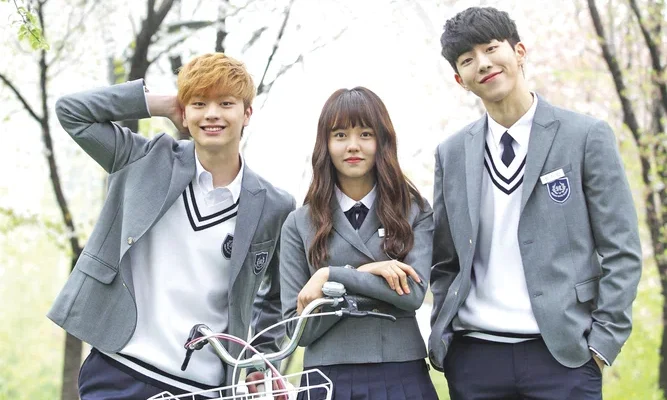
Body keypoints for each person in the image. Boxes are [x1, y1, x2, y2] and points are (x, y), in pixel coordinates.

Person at [49, 53, 295, 399]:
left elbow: (277, 297)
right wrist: (160, 104)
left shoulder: (273, 205)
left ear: (247, 113)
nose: (212, 114)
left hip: (202, 387)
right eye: (199, 103)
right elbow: (71, 112)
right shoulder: (143, 159)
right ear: (184, 111)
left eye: (226, 103)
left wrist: (260, 359)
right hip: (118, 369)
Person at [428, 6, 642, 400]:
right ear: (460, 79)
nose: (483, 63)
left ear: (520, 51)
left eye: (491, 48)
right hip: (475, 358)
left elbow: (622, 250)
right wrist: (447, 337)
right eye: (468, 59)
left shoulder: (585, 137)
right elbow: (445, 260)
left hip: (563, 357)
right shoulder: (451, 153)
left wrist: (602, 343)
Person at [280, 87, 438, 400]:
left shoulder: (415, 210)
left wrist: (331, 276)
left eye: (365, 134)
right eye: (340, 135)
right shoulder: (298, 224)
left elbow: (413, 294)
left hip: (400, 373)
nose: (353, 145)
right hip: (325, 377)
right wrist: (370, 274)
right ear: (325, 144)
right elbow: (298, 329)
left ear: (382, 141)